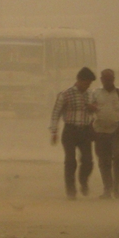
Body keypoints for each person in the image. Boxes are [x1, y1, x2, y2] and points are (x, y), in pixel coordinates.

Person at [50, 67, 97, 200]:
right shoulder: (65, 94)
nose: (87, 86)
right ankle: (71, 190)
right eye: (86, 83)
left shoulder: (91, 94)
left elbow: (96, 111)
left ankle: (83, 181)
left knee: (88, 161)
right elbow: (56, 113)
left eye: (89, 84)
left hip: (86, 131)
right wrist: (54, 131)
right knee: (70, 162)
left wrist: (93, 109)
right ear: (79, 80)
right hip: (70, 131)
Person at [88, 69, 119, 199]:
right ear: (101, 79)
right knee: (103, 161)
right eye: (105, 79)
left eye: (110, 79)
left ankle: (116, 188)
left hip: (117, 132)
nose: (108, 81)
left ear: (114, 79)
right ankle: (107, 189)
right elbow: (90, 112)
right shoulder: (96, 93)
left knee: (118, 159)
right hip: (100, 132)